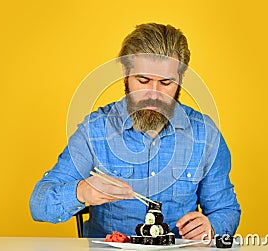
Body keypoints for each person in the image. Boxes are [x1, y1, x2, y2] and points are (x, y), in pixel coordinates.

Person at [30, 23, 240, 240]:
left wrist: (212, 227)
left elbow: (226, 210)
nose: (154, 94)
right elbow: (38, 205)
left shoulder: (205, 135)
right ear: (125, 73)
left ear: (180, 79)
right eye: (143, 80)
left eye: (166, 83)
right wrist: (81, 191)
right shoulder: (95, 131)